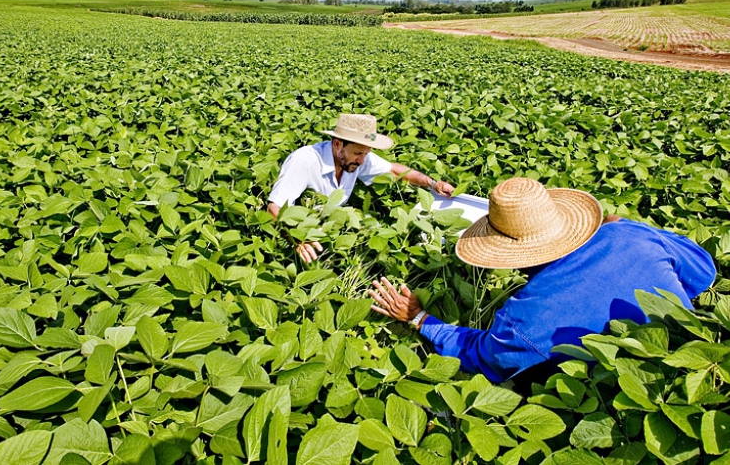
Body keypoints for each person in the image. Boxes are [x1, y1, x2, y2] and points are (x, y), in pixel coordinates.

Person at [369, 177, 716, 385]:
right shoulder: (629, 232)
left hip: (622, 394)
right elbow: (703, 271)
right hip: (701, 360)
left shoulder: (526, 315)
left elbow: (485, 359)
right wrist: (628, 236)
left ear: (504, 252)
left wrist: (420, 319)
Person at [267, 113, 456, 263]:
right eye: (358, 153)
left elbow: (395, 171)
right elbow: (274, 208)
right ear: (338, 143)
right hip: (293, 241)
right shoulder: (305, 161)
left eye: (366, 153)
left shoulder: (356, 158)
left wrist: (433, 183)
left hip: (329, 234)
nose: (362, 160)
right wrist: (299, 237)